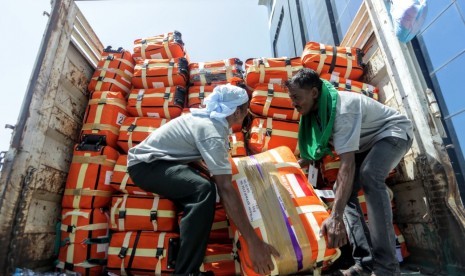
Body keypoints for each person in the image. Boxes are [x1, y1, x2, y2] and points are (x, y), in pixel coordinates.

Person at [127, 84, 280, 275]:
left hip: (161, 162)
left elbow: (190, 152)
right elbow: (225, 189)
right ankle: (187, 271)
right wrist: (254, 242)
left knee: (207, 183)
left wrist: (211, 173)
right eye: (246, 108)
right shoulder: (212, 131)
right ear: (238, 110)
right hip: (146, 166)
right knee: (203, 190)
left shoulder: (206, 119)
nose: (247, 113)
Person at [285, 69, 413, 276]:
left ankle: (387, 269)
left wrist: (335, 217)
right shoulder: (316, 115)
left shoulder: (342, 110)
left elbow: (347, 164)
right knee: (341, 190)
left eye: (297, 97)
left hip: (393, 133)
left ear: (314, 93)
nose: (293, 103)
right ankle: (365, 262)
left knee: (370, 176)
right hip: (366, 144)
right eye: (291, 98)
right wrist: (287, 168)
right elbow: (313, 153)